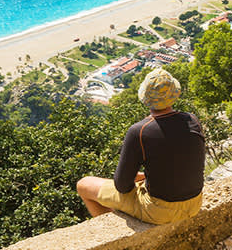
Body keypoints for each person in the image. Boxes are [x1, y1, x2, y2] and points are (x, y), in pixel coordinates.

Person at [76, 68, 205, 224]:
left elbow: (122, 185)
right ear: (174, 94)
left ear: (145, 97)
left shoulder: (140, 131)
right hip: (194, 204)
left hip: (158, 212)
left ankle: (114, 234)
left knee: (83, 185)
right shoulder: (192, 119)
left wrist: (139, 177)